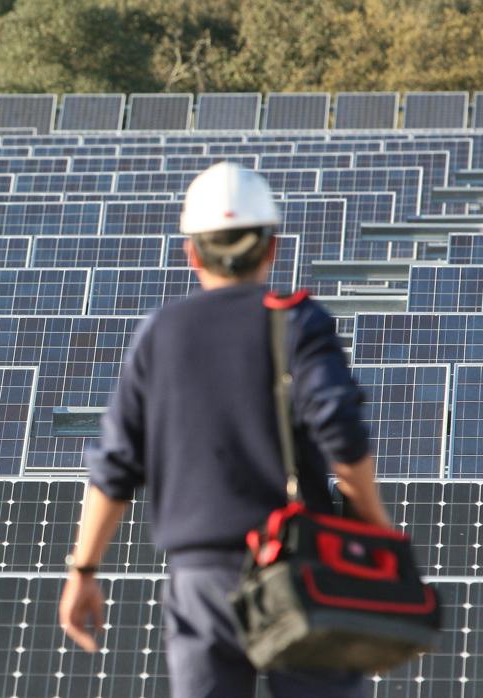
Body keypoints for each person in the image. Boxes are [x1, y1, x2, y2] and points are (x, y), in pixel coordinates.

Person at [57, 162, 393, 698]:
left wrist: (84, 570)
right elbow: (341, 429)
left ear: (192, 253)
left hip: (199, 582)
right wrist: (375, 525)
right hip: (299, 566)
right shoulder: (298, 322)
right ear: (271, 248)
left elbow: (114, 467)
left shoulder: (159, 334)